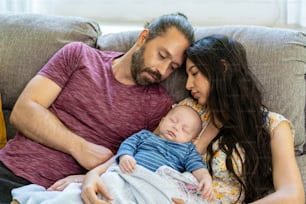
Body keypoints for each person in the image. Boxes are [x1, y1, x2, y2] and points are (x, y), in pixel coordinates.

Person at [79, 34, 305, 204]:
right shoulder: (189, 112)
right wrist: (91, 175)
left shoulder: (274, 126)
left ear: (222, 69)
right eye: (187, 75)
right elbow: (147, 146)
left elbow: (292, 195)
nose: (187, 85)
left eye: (195, 73)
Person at [0, 12, 194, 203]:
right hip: (11, 170)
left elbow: (152, 162)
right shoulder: (78, 55)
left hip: (67, 194)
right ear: (143, 38)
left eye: (173, 67)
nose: (162, 70)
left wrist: (89, 177)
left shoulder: (160, 106)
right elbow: (23, 111)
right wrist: (80, 147)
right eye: (161, 55)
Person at [10, 105, 214, 204]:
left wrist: (206, 180)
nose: (176, 127)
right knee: (98, 189)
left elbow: (198, 168)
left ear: (193, 139)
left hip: (151, 184)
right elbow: (128, 146)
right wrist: (125, 156)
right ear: (162, 120)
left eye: (185, 129)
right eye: (173, 120)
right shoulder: (145, 136)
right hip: (125, 174)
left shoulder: (187, 150)